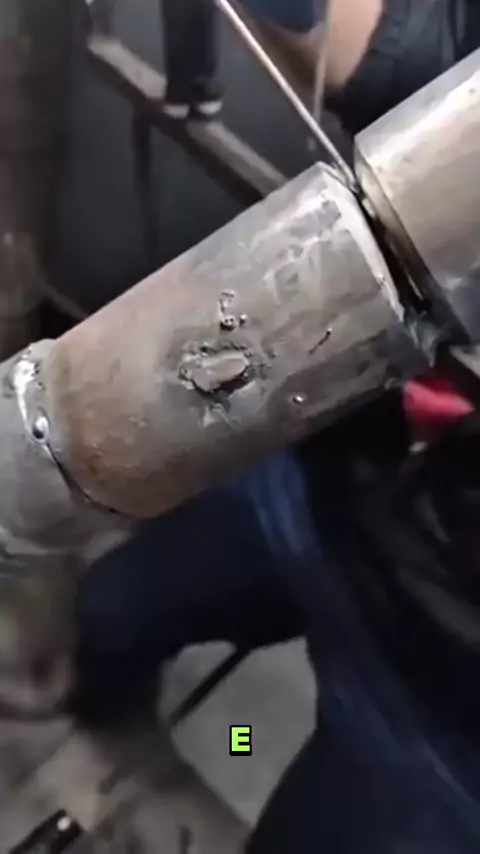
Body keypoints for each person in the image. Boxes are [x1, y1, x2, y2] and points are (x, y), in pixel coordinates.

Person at [72, 2, 480, 851]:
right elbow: (413, 50)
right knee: (111, 615)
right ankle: (109, 738)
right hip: (335, 472)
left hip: (448, 702)